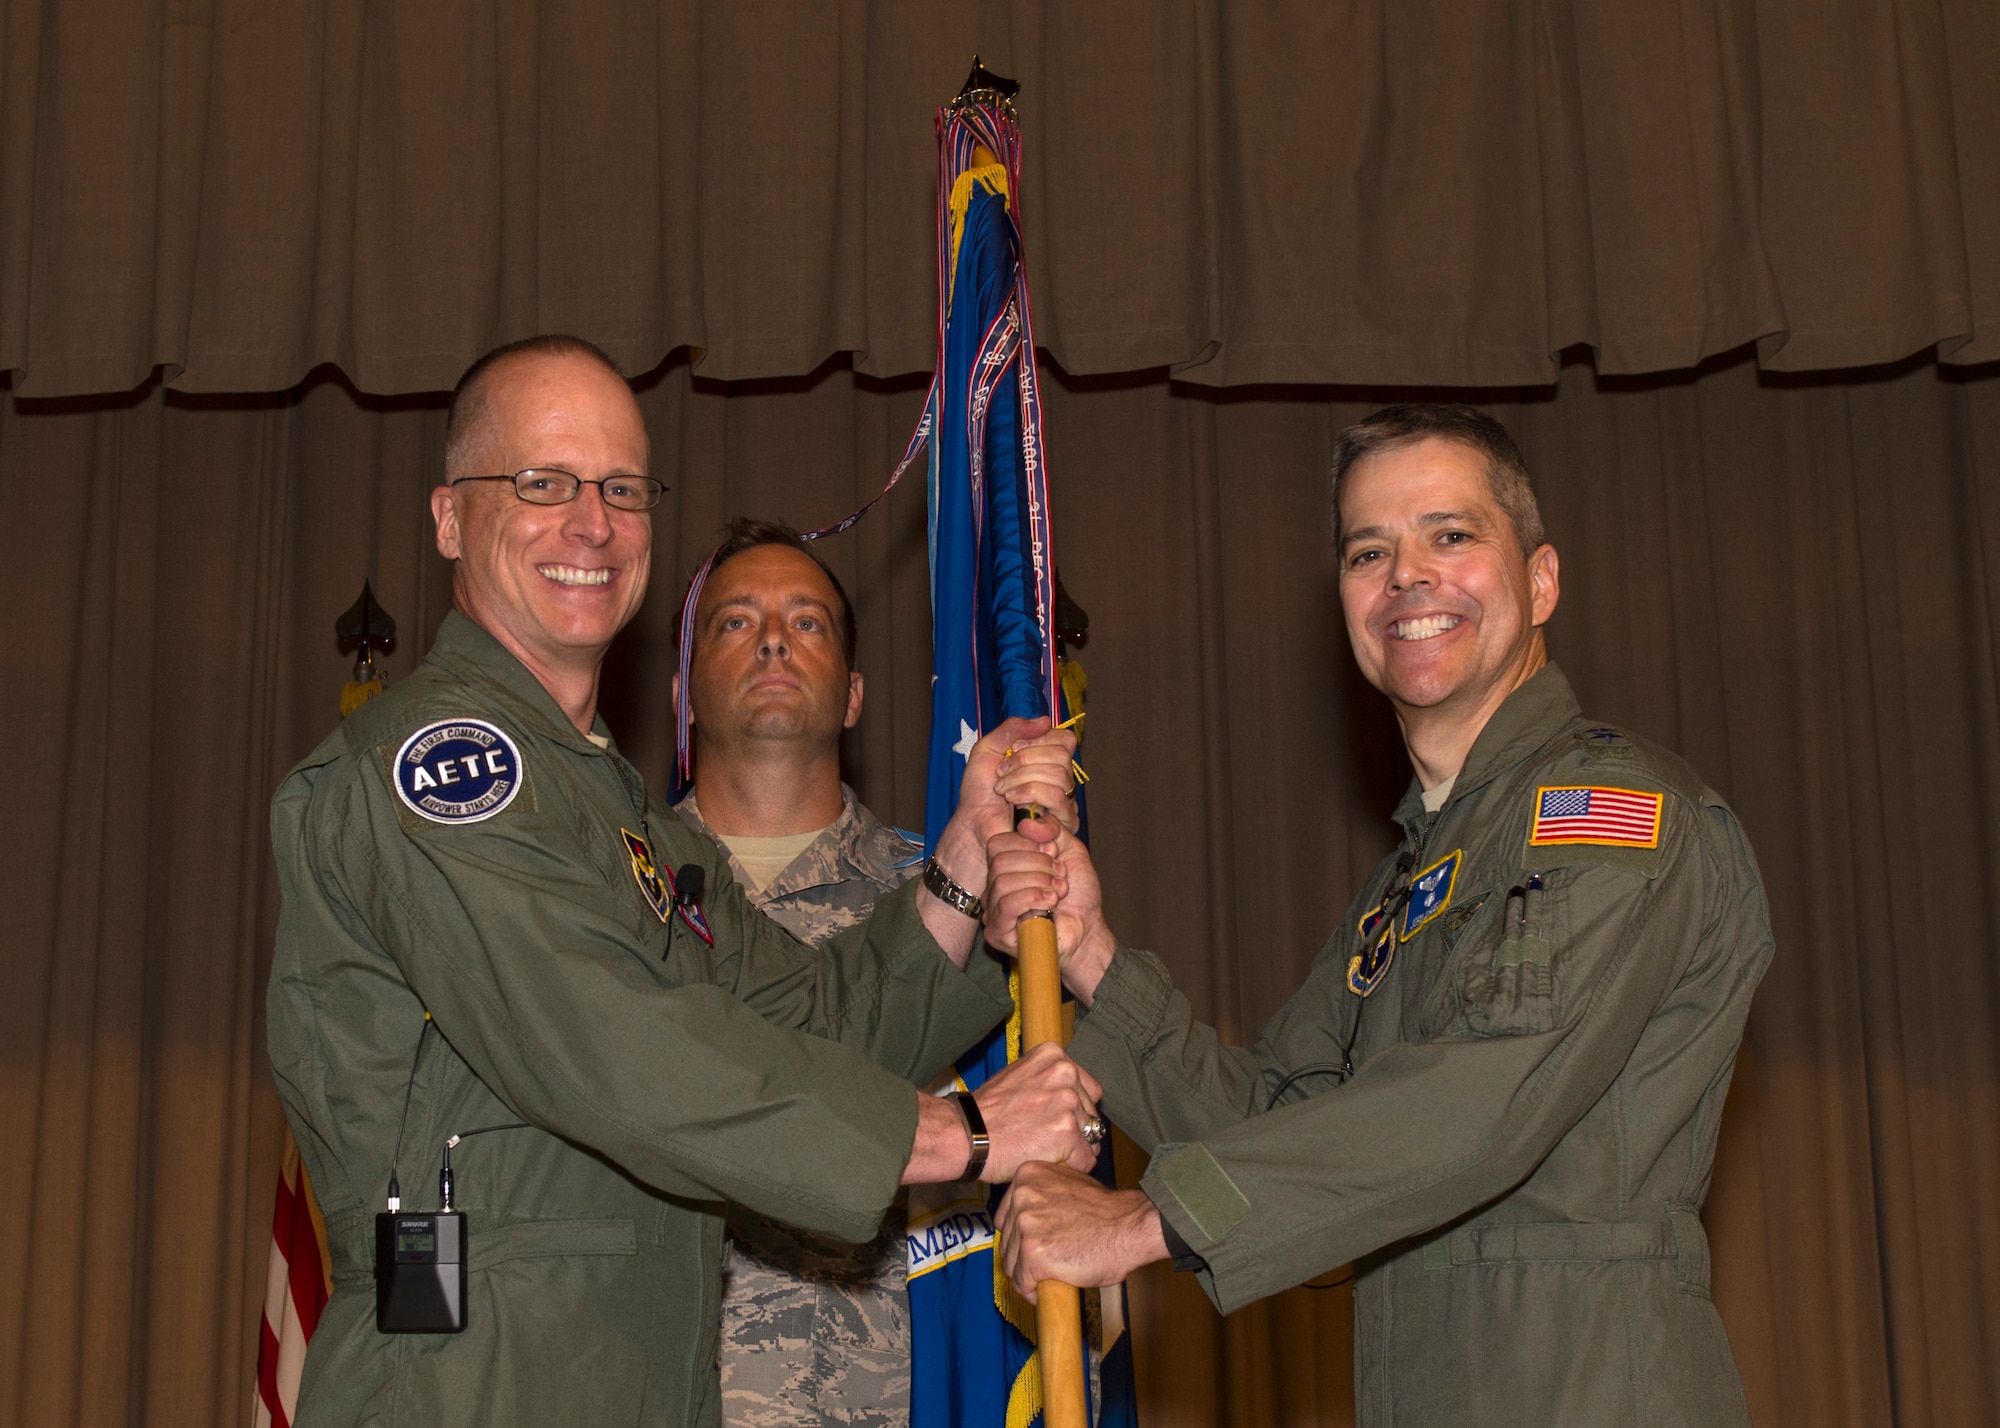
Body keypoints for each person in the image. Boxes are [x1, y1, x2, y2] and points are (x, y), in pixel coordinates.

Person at [265, 335, 1100, 1428]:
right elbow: (610, 1044)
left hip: (639, 1374)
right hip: (476, 1380)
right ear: (448, 518)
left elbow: (803, 1022)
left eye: (620, 488)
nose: (590, 524)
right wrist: (963, 1137)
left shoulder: (621, 817)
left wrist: (958, 864)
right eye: (540, 484)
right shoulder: (435, 762)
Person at [983, 404, 1775, 1427]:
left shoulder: (1612, 818)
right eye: (1368, 551)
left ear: (1539, 581)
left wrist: (1143, 1223)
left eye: (1449, 535)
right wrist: (1091, 958)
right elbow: (1272, 1127)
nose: (1405, 575)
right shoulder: (1404, 886)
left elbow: (1479, 1106)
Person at [671, 517, 939, 1427]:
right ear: (686, 691)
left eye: (808, 623)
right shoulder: (610, 895)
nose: (775, 638)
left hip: (898, 1395)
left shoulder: (950, 907)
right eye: (735, 622)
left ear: (856, 695)